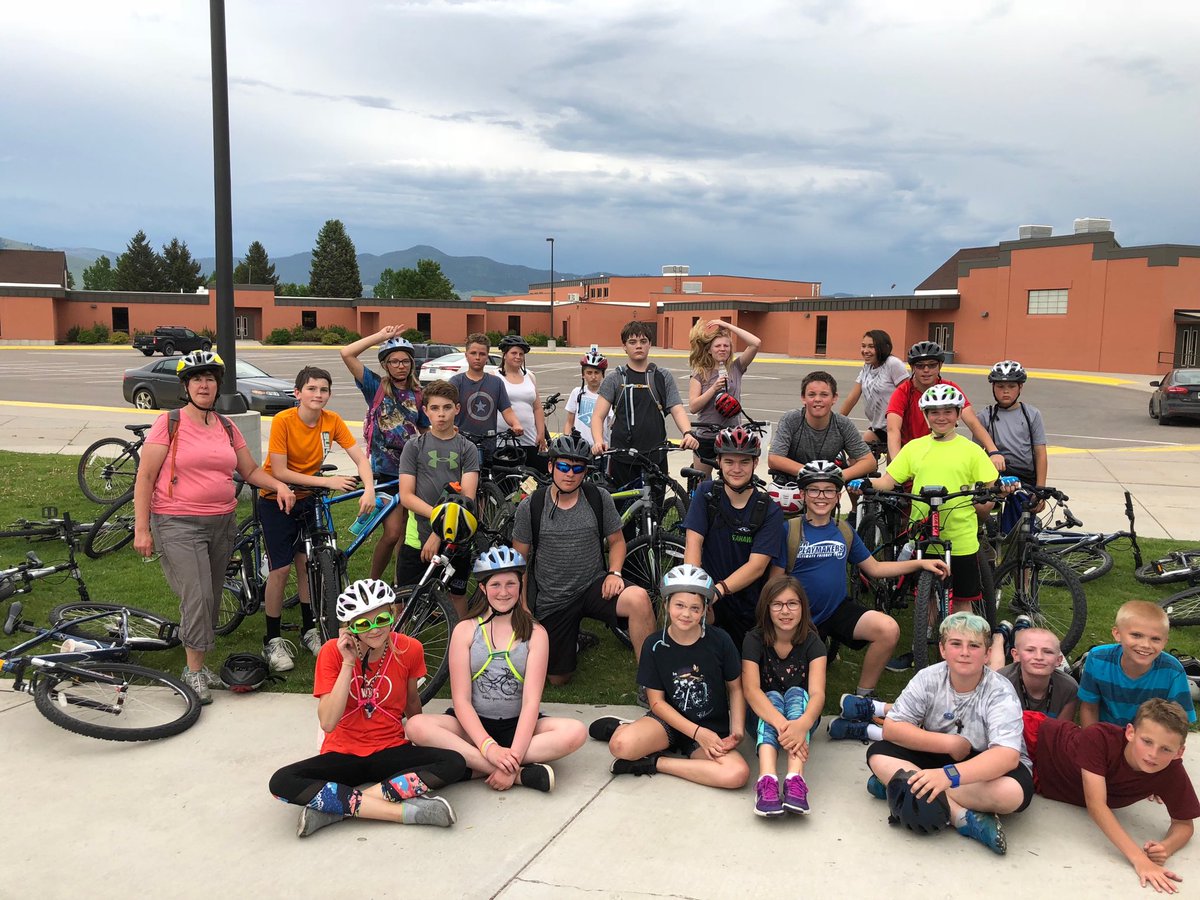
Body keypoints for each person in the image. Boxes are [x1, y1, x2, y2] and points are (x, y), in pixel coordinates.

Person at [133, 350, 296, 703]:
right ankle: (192, 672)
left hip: (222, 523)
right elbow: (145, 476)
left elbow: (250, 470)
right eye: (196, 379)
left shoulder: (226, 425)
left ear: (217, 384)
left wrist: (279, 485)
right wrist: (141, 528)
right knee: (199, 596)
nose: (204, 384)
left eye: (209, 378)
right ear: (185, 386)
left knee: (212, 596)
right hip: (177, 521)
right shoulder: (170, 422)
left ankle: (200, 665)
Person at [267, 579, 466, 838]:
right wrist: (348, 663)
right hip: (342, 754)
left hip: (390, 749)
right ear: (349, 628)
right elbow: (327, 722)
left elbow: (412, 703)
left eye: (381, 619)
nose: (375, 630)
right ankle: (404, 813)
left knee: (454, 762)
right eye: (363, 624)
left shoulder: (410, 649)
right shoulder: (332, 653)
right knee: (281, 782)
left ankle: (335, 809)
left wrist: (420, 738)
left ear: (392, 614)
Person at [405, 547, 587, 792]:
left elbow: (531, 702)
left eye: (511, 584)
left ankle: (480, 766)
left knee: (575, 732)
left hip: (518, 726)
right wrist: (489, 747)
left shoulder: (536, 633)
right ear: (482, 588)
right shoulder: (465, 630)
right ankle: (513, 771)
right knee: (416, 726)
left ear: (521, 585)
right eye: (496, 585)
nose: (504, 592)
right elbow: (461, 701)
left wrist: (516, 748)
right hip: (472, 726)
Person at [865, 612, 1035, 856]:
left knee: (1012, 794)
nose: (964, 652)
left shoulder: (1000, 691)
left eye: (974, 646)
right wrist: (948, 743)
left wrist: (948, 775)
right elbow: (892, 727)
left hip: (985, 764)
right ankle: (962, 817)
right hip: (942, 752)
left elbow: (1006, 756)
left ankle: (902, 785)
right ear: (943, 649)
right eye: (956, 644)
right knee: (877, 753)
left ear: (987, 654)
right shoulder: (928, 677)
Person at [784, 460, 947, 699]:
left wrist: (919, 563)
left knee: (887, 629)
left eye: (829, 490)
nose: (822, 496)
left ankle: (863, 696)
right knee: (798, 692)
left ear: (838, 495)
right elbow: (775, 584)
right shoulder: (789, 530)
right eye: (814, 490)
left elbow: (875, 567)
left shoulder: (844, 531)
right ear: (803, 494)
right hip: (798, 617)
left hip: (836, 610)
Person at [853, 385, 1007, 631]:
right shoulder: (915, 448)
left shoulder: (972, 451)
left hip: (961, 537)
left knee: (961, 602)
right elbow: (888, 481)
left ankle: (961, 647)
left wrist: (998, 491)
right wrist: (865, 482)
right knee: (926, 600)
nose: (941, 417)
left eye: (948, 411)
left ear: (958, 415)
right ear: (925, 416)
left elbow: (991, 485)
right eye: (934, 412)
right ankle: (922, 645)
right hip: (924, 532)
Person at [511, 434, 656, 685]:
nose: (570, 474)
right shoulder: (532, 505)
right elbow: (519, 560)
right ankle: (575, 640)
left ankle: (651, 681)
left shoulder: (598, 498)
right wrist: (522, 606)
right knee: (558, 679)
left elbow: (617, 542)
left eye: (578, 468)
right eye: (564, 467)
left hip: (594, 585)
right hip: (553, 600)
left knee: (640, 599)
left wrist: (615, 572)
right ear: (551, 466)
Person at [589, 565, 749, 789]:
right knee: (620, 746)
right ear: (666, 604)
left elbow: (736, 688)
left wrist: (737, 731)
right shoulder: (654, 645)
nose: (686, 614)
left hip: (710, 728)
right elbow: (656, 702)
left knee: (736, 774)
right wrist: (696, 732)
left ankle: (654, 762)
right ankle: (626, 729)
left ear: (704, 609)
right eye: (679, 605)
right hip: (667, 723)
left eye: (695, 608)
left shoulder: (720, 641)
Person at [259, 366, 375, 672]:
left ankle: (310, 629)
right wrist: (326, 483)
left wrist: (370, 490)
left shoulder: (331, 420)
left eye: (323, 390)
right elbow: (280, 471)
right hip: (277, 499)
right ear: (298, 393)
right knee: (280, 569)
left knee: (307, 564)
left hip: (307, 498)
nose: (318, 395)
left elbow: (360, 458)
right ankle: (272, 639)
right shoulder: (284, 420)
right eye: (311, 389)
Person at [1030, 698, 1199, 893]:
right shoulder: (1100, 738)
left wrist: (1167, 847)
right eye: (1147, 741)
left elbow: (1184, 824)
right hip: (1034, 741)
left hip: (1038, 781)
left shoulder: (1171, 771)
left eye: (1165, 749)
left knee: (1009, 792)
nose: (1153, 754)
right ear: (1130, 732)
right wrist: (1140, 859)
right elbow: (1096, 806)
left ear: (1179, 752)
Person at [683, 425, 787, 652]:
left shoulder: (769, 509)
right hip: (708, 597)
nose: (736, 469)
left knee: (742, 675)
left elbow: (757, 567)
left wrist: (717, 592)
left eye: (744, 462)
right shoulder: (706, 494)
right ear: (719, 462)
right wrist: (694, 590)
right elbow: (693, 543)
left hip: (748, 606)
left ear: (755, 463)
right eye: (729, 462)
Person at [338, 326, 429, 580]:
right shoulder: (375, 387)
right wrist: (380, 337)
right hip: (385, 470)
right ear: (385, 365)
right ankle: (373, 582)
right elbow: (347, 353)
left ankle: (401, 584)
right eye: (394, 361)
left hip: (413, 470)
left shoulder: (418, 394)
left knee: (409, 534)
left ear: (412, 363)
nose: (400, 366)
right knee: (391, 533)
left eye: (405, 361)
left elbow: (422, 425)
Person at [741, 575, 826, 817]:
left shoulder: (813, 642)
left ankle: (794, 779)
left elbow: (818, 693)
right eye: (777, 604)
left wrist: (802, 725)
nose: (785, 611)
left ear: (802, 608)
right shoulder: (754, 639)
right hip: (762, 717)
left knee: (796, 692)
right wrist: (784, 726)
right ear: (766, 608)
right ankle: (766, 779)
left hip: (803, 718)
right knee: (772, 697)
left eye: (792, 604)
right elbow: (751, 690)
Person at [397, 379, 480, 620]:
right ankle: (399, 648)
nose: (441, 414)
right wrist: (436, 524)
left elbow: (467, 498)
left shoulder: (467, 448)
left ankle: (459, 649)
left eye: (446, 408)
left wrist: (438, 533)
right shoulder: (414, 447)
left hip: (457, 536)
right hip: (417, 536)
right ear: (425, 411)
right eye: (434, 408)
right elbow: (407, 496)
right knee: (405, 597)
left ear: (457, 409)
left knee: (456, 595)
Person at [590, 320, 699, 489]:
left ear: (650, 344)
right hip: (622, 457)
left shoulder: (662, 377)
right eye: (632, 342)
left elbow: (677, 409)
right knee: (622, 510)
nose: (638, 346)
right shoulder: (615, 378)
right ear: (624, 347)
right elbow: (598, 416)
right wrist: (598, 441)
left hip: (656, 455)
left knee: (656, 508)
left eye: (643, 341)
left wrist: (687, 433)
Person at [1078, 600, 1197, 727]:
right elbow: (1089, 708)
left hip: (1149, 739)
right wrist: (1091, 742)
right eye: (1136, 635)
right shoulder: (1097, 659)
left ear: (1165, 642)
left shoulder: (1173, 671)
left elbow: (1180, 721)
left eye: (1155, 639)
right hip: (1106, 735)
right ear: (1117, 634)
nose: (1145, 645)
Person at [885, 341, 1003, 465]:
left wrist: (993, 451)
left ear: (940, 365)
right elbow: (893, 429)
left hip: (942, 454)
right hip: (910, 458)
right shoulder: (903, 392)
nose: (926, 370)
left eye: (932, 365)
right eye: (920, 366)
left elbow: (973, 422)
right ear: (913, 367)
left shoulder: (949, 388)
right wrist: (897, 465)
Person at [975, 360, 1048, 532]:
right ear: (993, 387)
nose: (1005, 391)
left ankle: (1018, 541)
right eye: (1000, 386)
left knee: (1022, 508)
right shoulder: (985, 416)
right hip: (996, 475)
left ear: (1020, 387)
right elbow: (976, 453)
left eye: (1011, 386)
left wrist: (1041, 490)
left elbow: (1040, 453)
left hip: (1025, 477)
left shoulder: (1032, 415)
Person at [766, 371, 876, 483]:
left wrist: (837, 475)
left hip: (828, 484)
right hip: (792, 483)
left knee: (858, 483)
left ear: (834, 398)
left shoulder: (843, 424)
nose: (817, 399)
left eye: (824, 395)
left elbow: (869, 462)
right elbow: (774, 458)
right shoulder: (791, 419)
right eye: (811, 394)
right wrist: (812, 473)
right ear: (803, 398)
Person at [687, 319, 761, 476]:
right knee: (702, 482)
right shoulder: (700, 373)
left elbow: (755, 343)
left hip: (731, 435)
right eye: (718, 346)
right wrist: (714, 388)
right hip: (706, 436)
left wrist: (727, 326)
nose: (722, 349)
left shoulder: (736, 368)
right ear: (709, 350)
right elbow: (693, 407)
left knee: (732, 480)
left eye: (726, 345)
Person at [449, 333, 524, 468]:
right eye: (473, 353)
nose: (477, 357)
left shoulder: (496, 383)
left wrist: (516, 424)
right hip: (460, 443)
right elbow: (446, 408)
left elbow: (507, 410)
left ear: (487, 356)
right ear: (466, 355)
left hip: (488, 444)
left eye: (482, 354)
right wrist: (450, 426)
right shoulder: (456, 382)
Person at [988, 618, 1079, 719]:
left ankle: (1019, 632)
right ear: (1016, 655)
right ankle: (1000, 637)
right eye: (1030, 650)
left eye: (1048, 652)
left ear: (1059, 660)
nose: (1039, 657)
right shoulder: (999, 683)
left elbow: (1061, 730)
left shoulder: (1069, 688)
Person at [839, 329, 909, 455]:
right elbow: (853, 397)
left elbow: (907, 394)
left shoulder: (893, 364)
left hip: (898, 428)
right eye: (863, 346)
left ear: (883, 347)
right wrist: (836, 422)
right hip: (878, 427)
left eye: (871, 346)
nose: (866, 351)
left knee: (893, 468)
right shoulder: (867, 367)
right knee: (858, 458)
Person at [495, 334, 547, 468]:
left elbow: (537, 408)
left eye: (521, 354)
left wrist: (541, 433)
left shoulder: (530, 376)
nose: (518, 357)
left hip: (529, 438)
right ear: (505, 354)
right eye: (514, 353)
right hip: (503, 441)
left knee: (533, 480)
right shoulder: (494, 377)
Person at [564, 344, 613, 450]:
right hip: (579, 447)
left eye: (597, 373)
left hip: (600, 447)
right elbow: (569, 421)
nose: (593, 377)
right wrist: (567, 441)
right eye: (589, 373)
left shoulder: (608, 396)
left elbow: (611, 425)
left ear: (603, 374)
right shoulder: (577, 393)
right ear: (583, 375)